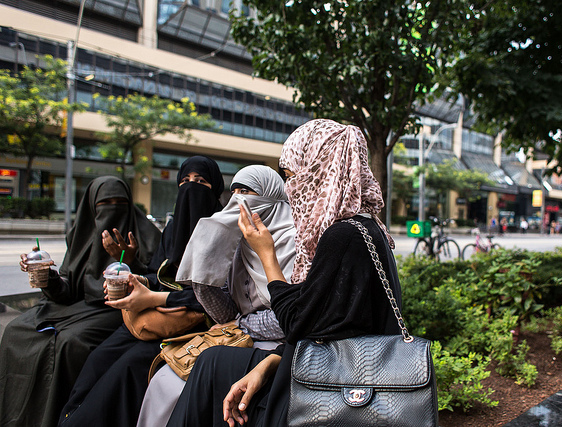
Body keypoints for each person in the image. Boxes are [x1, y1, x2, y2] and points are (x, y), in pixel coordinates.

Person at [166, 118, 402, 427]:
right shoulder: (368, 227)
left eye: (292, 176)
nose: (290, 188)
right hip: (328, 363)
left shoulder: (340, 236)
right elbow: (324, 323)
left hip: (332, 381)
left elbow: (296, 323)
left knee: (209, 364)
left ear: (318, 172)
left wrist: (267, 255)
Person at [58, 156, 225, 427]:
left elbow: (219, 297)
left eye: (200, 182)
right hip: (152, 317)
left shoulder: (222, 231)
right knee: (98, 359)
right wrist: (138, 280)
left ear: (215, 189)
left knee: (127, 369)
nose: (190, 188)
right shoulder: (172, 230)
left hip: (193, 325)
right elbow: (158, 273)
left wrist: (155, 296)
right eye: (184, 182)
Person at [136, 164, 296, 427]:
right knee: (163, 381)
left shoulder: (293, 241)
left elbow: (288, 318)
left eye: (247, 191)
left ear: (271, 194)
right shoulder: (236, 241)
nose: (238, 200)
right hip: (239, 338)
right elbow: (224, 315)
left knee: (187, 388)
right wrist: (204, 272)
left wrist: (240, 324)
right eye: (234, 192)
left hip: (280, 345)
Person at [0, 176, 160, 427]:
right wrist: (46, 277)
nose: (112, 209)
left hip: (118, 309)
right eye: (105, 203)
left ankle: (56, 417)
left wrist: (131, 260)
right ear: (91, 207)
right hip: (77, 306)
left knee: (69, 343)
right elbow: (66, 289)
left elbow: (155, 282)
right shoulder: (82, 234)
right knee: (16, 330)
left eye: (120, 202)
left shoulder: (145, 236)